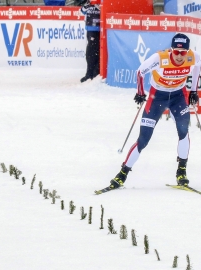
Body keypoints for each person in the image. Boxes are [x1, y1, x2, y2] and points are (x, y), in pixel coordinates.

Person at [108, 33, 201, 190]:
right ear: (171, 50)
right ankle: (123, 173)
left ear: (187, 51)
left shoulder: (193, 57)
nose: (179, 56)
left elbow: (198, 66)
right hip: (157, 97)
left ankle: (181, 171)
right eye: (176, 52)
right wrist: (140, 92)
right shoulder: (160, 58)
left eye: (183, 52)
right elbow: (140, 72)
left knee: (184, 131)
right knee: (144, 139)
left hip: (178, 97)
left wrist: (193, 91)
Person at [79, 0, 100, 83]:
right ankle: (89, 73)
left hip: (99, 29)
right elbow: (82, 11)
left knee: (96, 52)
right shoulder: (89, 2)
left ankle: (95, 73)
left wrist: (98, 6)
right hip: (90, 29)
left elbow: (106, 10)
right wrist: (88, 4)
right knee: (90, 53)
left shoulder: (101, 2)